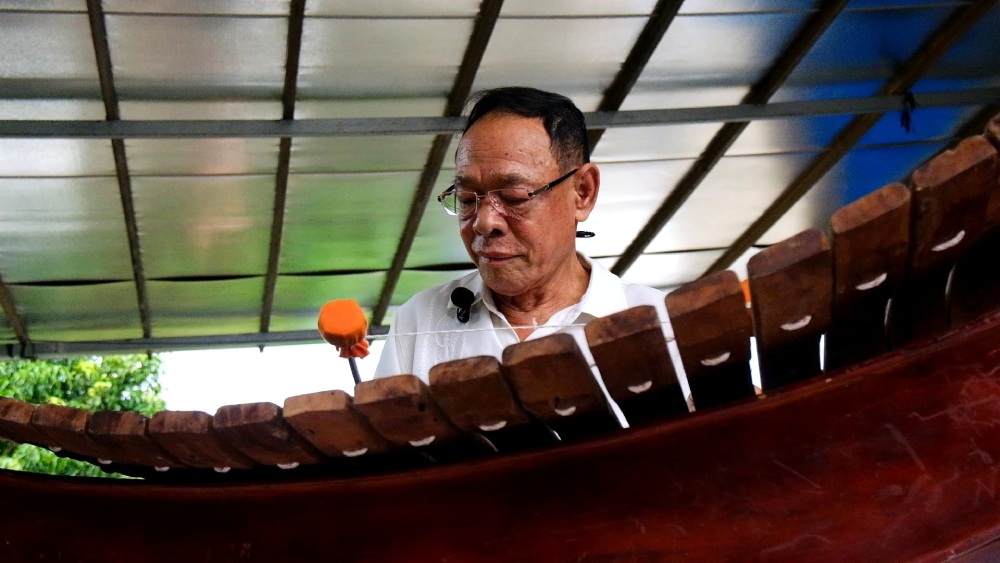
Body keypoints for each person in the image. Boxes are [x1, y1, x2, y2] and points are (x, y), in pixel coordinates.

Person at [374, 87, 687, 410]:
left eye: (515, 196)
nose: (484, 222)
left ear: (583, 192)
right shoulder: (421, 318)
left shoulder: (660, 324)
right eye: (468, 199)